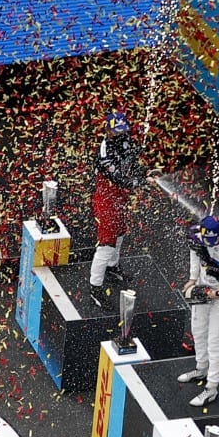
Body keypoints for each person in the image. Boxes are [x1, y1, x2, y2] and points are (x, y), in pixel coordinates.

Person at [177, 214, 219, 407]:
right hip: (202, 286)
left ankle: (212, 387)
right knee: (198, 330)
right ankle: (201, 368)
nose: (210, 244)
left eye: (213, 241)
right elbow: (194, 252)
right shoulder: (195, 236)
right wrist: (192, 278)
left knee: (215, 339)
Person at [89, 110, 146, 307]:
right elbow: (117, 177)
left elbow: (134, 163)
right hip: (106, 201)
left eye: (122, 130)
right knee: (106, 245)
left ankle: (112, 267)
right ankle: (95, 288)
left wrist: (144, 173)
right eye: (116, 131)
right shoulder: (104, 150)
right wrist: (137, 182)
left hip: (121, 198)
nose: (119, 134)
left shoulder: (127, 141)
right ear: (107, 130)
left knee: (120, 232)